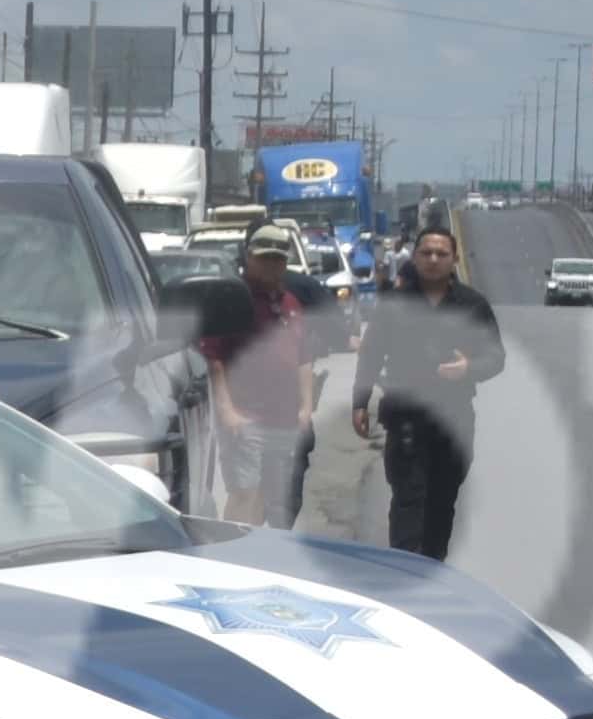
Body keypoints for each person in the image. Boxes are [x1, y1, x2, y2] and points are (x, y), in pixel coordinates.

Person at [347, 221, 508, 560]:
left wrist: (469, 369)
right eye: (426, 253)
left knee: (442, 501)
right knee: (407, 499)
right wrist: (359, 402)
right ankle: (403, 573)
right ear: (415, 258)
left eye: (441, 253)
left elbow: (496, 357)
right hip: (406, 418)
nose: (433, 259)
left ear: (454, 258)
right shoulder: (394, 304)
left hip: (454, 420)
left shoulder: (472, 305)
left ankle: (433, 571)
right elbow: (371, 353)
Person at [182, 219, 330, 530]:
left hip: (285, 418)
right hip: (246, 418)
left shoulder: (290, 303)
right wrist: (227, 411)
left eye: (278, 258)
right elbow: (215, 358)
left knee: (277, 497)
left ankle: (266, 556)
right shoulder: (231, 299)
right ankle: (234, 557)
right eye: (264, 258)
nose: (271, 265)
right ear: (249, 257)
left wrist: (305, 408)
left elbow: (303, 357)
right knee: (244, 492)